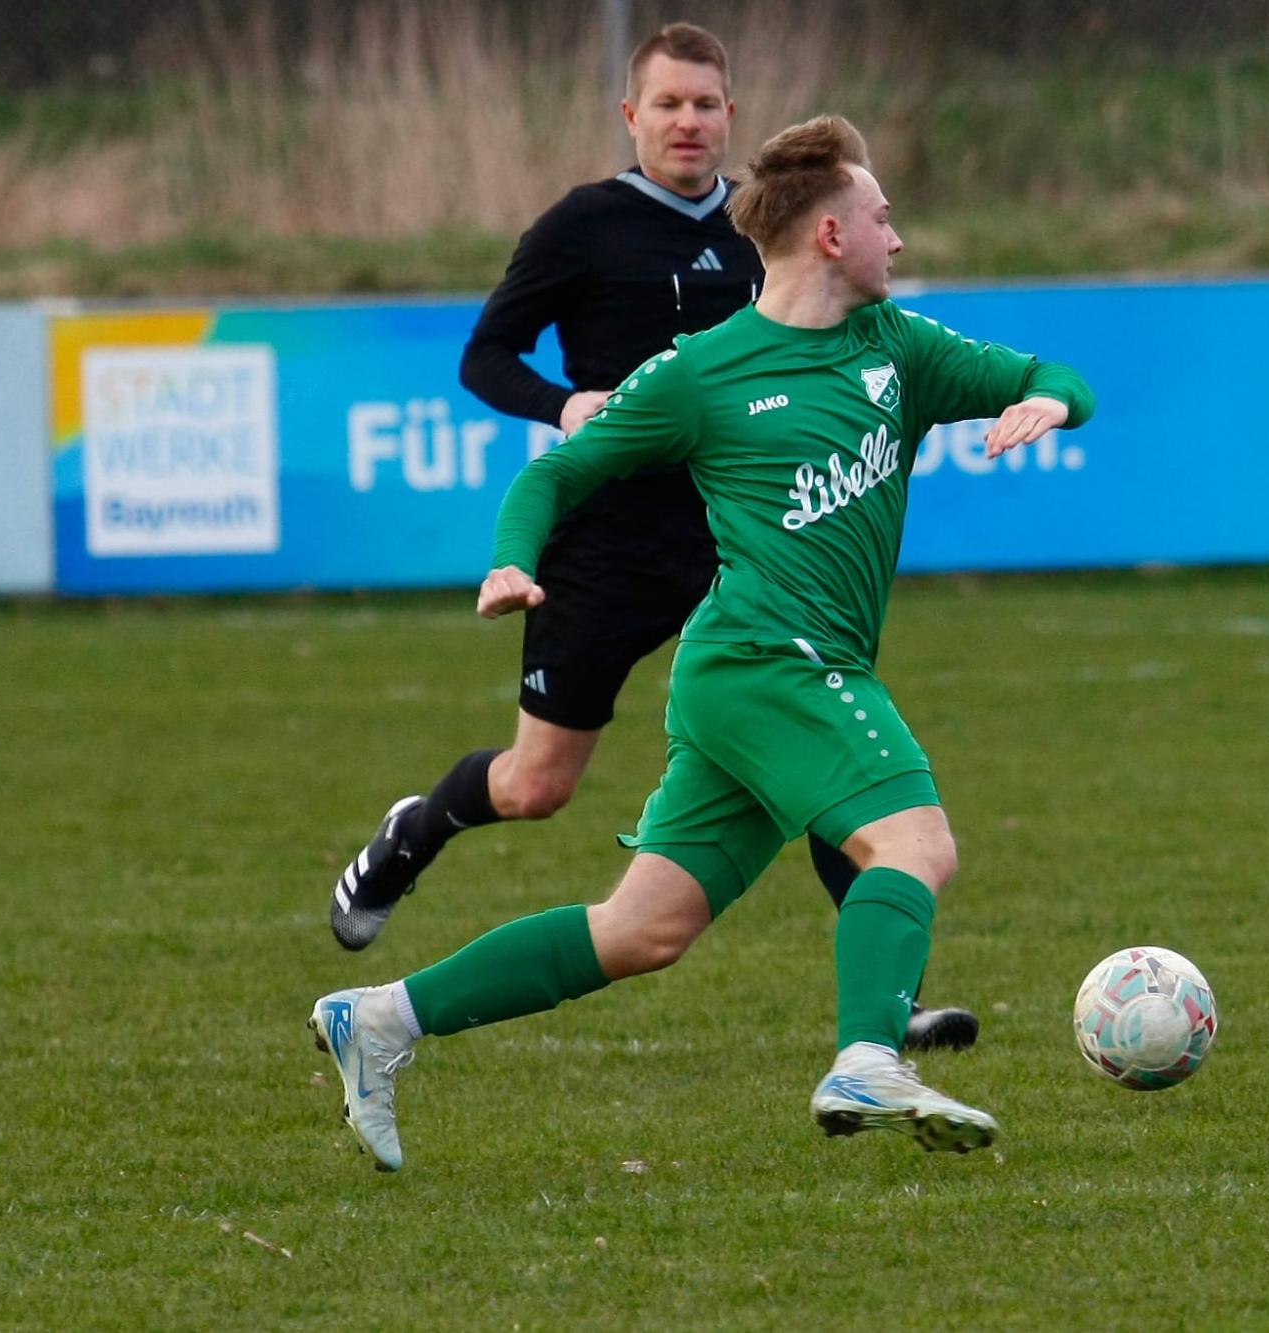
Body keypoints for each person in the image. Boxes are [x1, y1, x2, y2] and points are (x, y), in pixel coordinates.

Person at [309, 114, 1094, 1170]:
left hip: (755, 675)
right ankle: (868, 1057)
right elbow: (556, 473)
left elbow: (1057, 373)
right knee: (916, 845)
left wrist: (1047, 401)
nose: (897, 237)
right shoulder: (703, 373)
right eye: (881, 216)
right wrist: (509, 560)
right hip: (770, 663)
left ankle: (381, 1018)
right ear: (830, 235)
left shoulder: (898, 347)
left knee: (640, 930)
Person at [326, 22, 977, 1052]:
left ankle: (887, 1010)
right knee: (538, 785)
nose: (688, 122)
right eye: (667, 103)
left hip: (736, 538)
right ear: (631, 115)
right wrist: (563, 403)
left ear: (731, 115)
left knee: (814, 731)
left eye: (706, 104)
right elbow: (485, 356)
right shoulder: (583, 226)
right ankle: (419, 826)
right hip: (609, 546)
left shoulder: (770, 230)